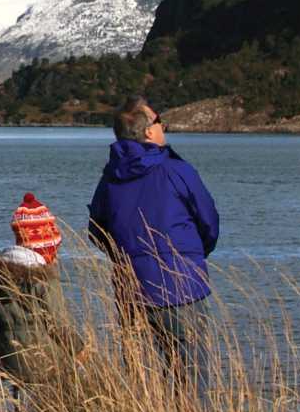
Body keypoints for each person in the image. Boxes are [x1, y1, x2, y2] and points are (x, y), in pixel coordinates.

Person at [88, 97, 219, 383]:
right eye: (159, 120)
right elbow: (208, 221)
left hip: (132, 289)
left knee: (142, 383)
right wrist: (192, 257)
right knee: (192, 379)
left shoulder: (110, 178)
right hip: (182, 287)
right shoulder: (176, 170)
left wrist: (126, 259)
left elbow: (96, 231)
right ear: (148, 131)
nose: (164, 126)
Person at [0, 193, 73, 394]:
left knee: (20, 404)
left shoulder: (0, 280)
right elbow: (58, 324)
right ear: (46, 248)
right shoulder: (44, 280)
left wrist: (3, 351)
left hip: (11, 364)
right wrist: (80, 350)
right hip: (46, 364)